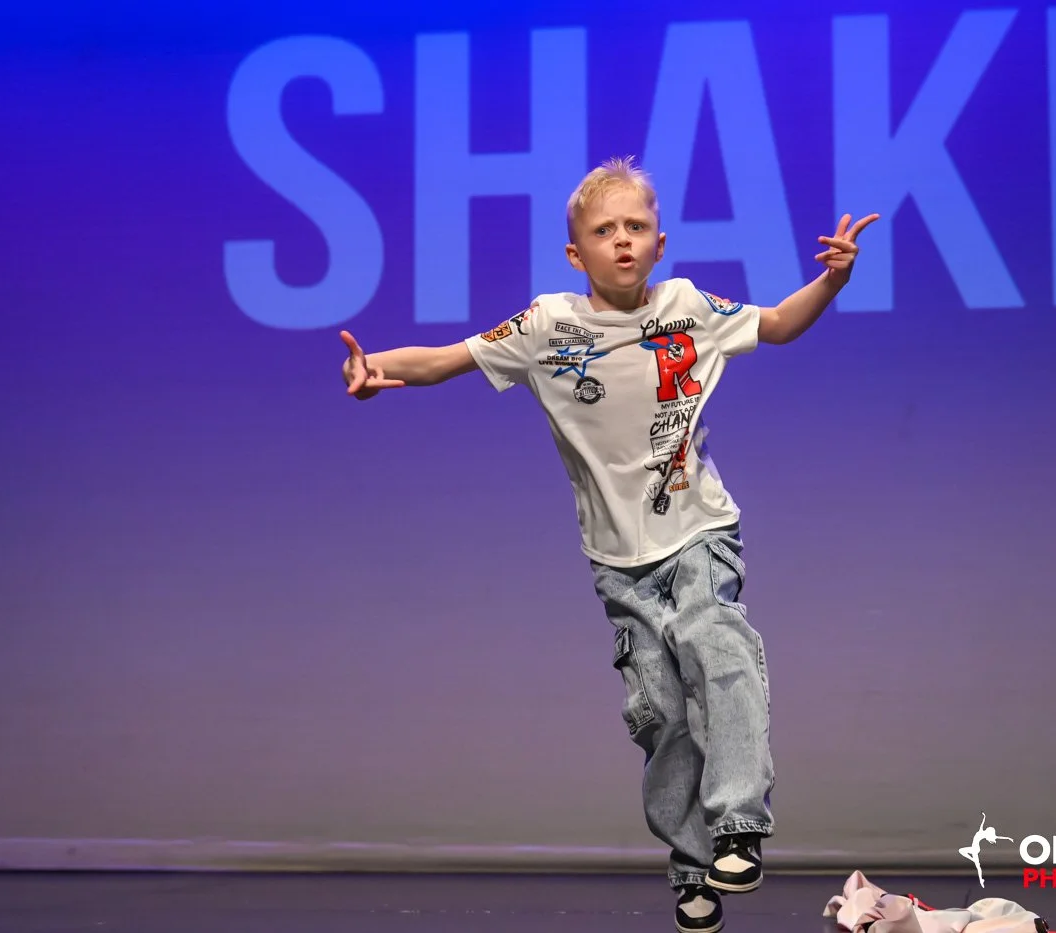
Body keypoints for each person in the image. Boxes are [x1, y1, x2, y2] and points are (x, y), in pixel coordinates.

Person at [340, 156, 877, 933]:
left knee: (716, 643)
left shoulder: (690, 306)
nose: (621, 241)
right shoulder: (547, 324)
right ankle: (692, 864)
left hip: (699, 529)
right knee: (662, 716)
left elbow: (780, 324)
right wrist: (376, 367)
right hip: (619, 561)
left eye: (635, 228)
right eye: (604, 230)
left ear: (660, 244)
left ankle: (740, 822)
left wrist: (832, 280)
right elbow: (448, 360)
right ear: (575, 254)